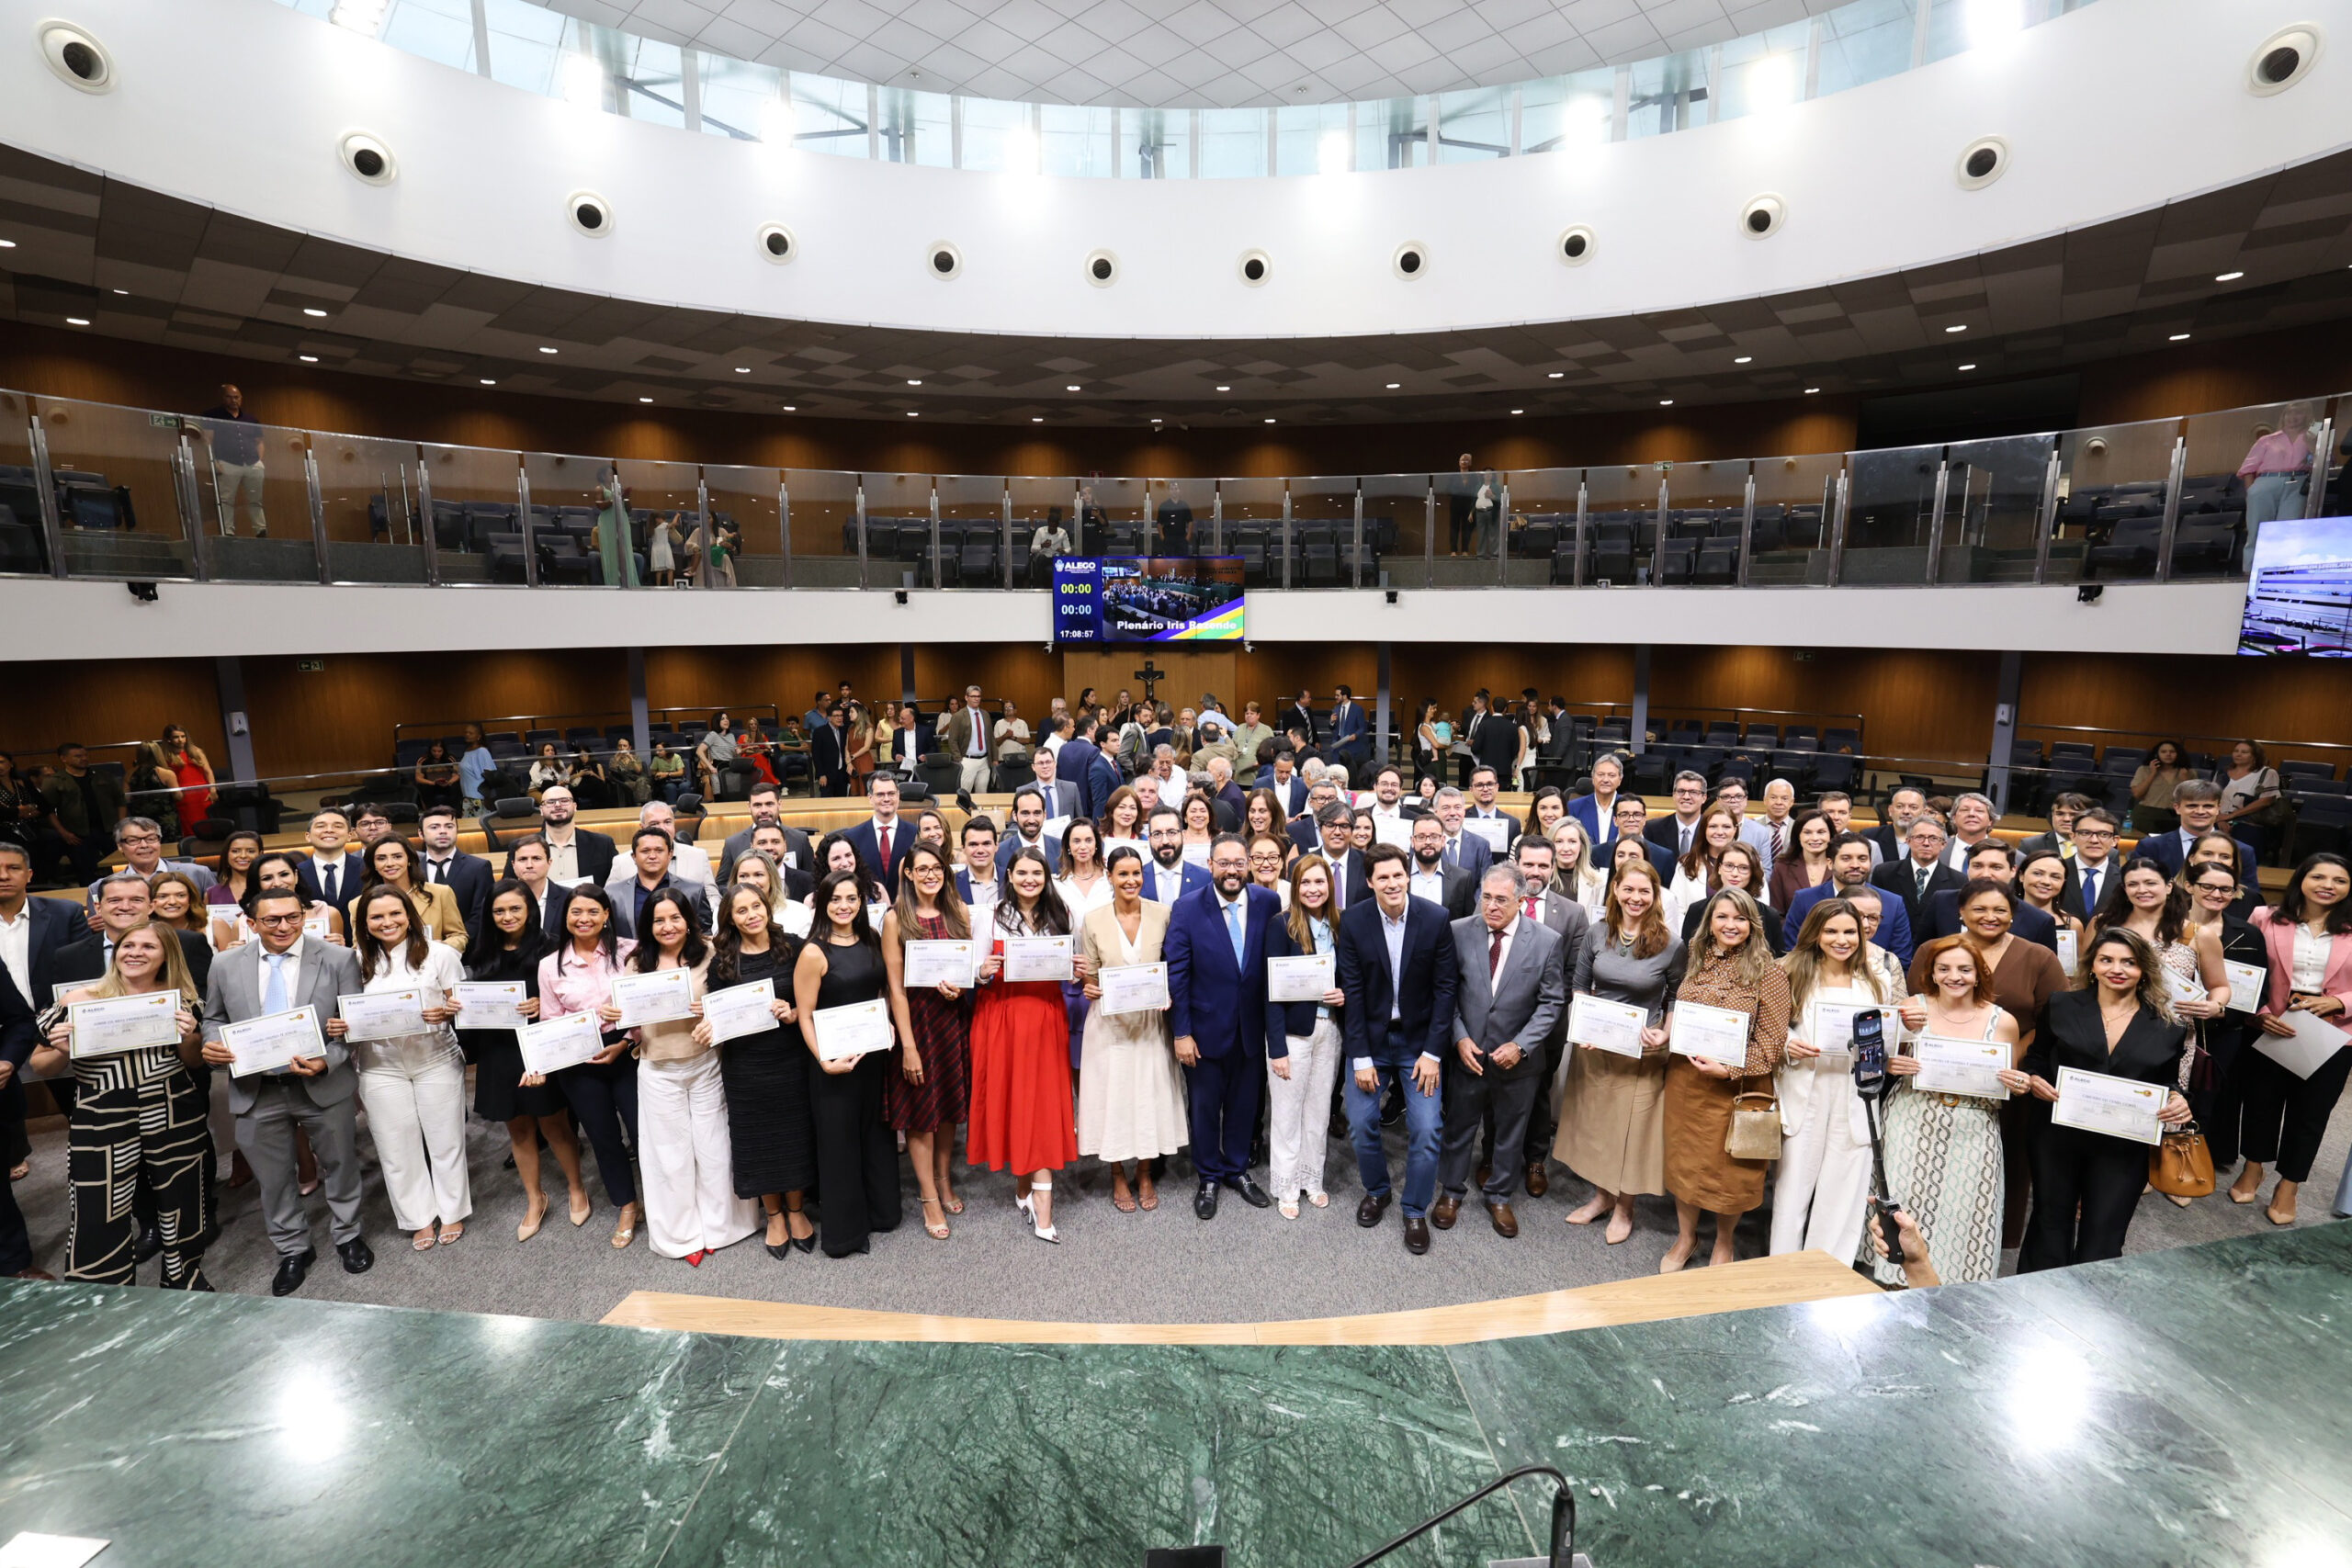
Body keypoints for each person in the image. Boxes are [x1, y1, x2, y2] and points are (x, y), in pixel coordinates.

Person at [199, 886, 373, 1297]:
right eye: (272, 919)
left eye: (293, 917)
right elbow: (213, 1018)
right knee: (273, 1178)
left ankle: (348, 1234)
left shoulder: (337, 958)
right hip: (256, 1088)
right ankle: (293, 1248)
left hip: (321, 1082)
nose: (284, 926)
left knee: (340, 1163)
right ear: (251, 922)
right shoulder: (225, 963)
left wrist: (328, 1059)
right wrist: (213, 1043)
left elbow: (352, 1023)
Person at [40, 922, 213, 1287]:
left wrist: (188, 1037)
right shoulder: (77, 1001)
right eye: (128, 945)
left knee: (182, 1197)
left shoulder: (181, 1000)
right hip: (101, 1111)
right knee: (99, 1203)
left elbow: (194, 1062)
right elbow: (41, 1066)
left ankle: (184, 1280)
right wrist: (62, 1051)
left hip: (172, 1105)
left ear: (166, 955)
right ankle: (103, 1294)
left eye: (148, 947)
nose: (135, 953)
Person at [1906, 875, 2068, 1250]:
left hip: (2008, 1076)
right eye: (1979, 908)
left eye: (2000, 910)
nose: (1989, 917)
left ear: (2014, 914)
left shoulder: (2038, 957)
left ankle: (1984, 1241)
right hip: (1935, 1077)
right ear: (1961, 912)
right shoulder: (1934, 949)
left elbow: (2053, 1021)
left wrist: (2011, 1058)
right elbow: (1917, 1004)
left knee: (2000, 1161)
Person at [2016, 928, 2191, 1270]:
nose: (2117, 969)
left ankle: (2091, 1300)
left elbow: (2168, 1080)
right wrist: (2036, 1079)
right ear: (2092, 966)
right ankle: (2037, 1295)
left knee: (2105, 1233)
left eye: (2129, 962)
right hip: (2056, 1134)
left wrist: (2178, 1098)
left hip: (2124, 1143)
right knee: (2050, 1222)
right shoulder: (2061, 1005)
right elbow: (2037, 1057)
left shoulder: (2168, 1024)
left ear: (2144, 969)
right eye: (2106, 960)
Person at [1867, 935, 2019, 1286]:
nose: (1955, 976)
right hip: (1911, 1119)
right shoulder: (1911, 1009)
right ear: (1932, 974)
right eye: (1944, 969)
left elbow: (2004, 1081)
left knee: (1966, 1210)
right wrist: (1889, 1063)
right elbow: (1874, 1058)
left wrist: (2018, 1082)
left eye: (1965, 969)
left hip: (1974, 1126)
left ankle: (1958, 1290)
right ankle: (1895, 1283)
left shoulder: (2004, 1021)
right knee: (1905, 1205)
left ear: (1978, 975)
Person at [1335, 841, 1460, 1253]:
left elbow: (1446, 990)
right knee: (1360, 1122)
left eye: (1398, 875)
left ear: (1408, 876)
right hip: (1370, 1042)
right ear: (1370, 882)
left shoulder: (1435, 918)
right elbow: (1352, 991)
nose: (1392, 883)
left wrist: (1433, 1054)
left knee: (1426, 1128)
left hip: (1418, 1044)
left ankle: (1414, 1209)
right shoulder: (1353, 921)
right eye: (1383, 877)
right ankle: (1377, 1190)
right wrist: (1360, 1057)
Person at [1435, 863, 1566, 1238]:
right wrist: (1459, 1037)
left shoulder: (1546, 941)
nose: (1491, 906)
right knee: (1458, 1128)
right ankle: (1451, 1192)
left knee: (1510, 1133)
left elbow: (1551, 1003)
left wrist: (1521, 1046)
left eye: (1501, 900)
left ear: (1521, 901)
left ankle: (1499, 1196)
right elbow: (1446, 993)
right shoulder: (1458, 931)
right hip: (1468, 1054)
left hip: (1518, 1063)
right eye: (1487, 898)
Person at [1661, 888, 1791, 1272]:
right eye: (1722, 917)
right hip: (1687, 1081)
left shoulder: (1770, 972)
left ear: (1753, 925)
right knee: (1684, 1163)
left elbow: (1772, 1042)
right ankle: (1686, 1237)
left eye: (1739, 918)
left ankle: (1724, 1241)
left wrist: (1730, 1069)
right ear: (1710, 922)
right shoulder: (1695, 957)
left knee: (1731, 1173)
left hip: (1738, 1087)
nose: (1730, 925)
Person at [1770, 897, 1905, 1264]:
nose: (1841, 940)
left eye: (1850, 932)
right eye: (1831, 931)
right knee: (1792, 1190)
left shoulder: (1876, 979)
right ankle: (1782, 1270)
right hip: (1805, 1087)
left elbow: (1885, 1034)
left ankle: (1827, 1274)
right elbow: (1768, 1025)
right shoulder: (1788, 970)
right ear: (1815, 933)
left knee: (1843, 1190)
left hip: (1855, 1091)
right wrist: (1788, 1044)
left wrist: (1905, 1029)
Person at [628, 886, 756, 1265]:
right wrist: (617, 1015)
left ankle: (722, 1226)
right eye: (659, 920)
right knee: (670, 1157)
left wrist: (711, 1012)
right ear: (648, 925)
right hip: (659, 1069)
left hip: (706, 1064)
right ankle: (680, 1235)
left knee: (715, 1149)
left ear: (688, 920)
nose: (668, 926)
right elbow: (632, 1021)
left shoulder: (712, 953)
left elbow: (734, 1003)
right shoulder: (636, 964)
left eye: (675, 918)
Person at [458, 878, 588, 1240]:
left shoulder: (553, 948)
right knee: (517, 1128)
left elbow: (572, 998)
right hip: (498, 1050)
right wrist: (460, 1006)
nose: (507, 916)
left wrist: (543, 1005)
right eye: (499, 911)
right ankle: (535, 1197)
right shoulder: (480, 953)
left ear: (530, 909)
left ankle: (576, 1187)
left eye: (515, 908)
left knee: (554, 1124)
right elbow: (472, 1003)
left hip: (539, 1047)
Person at [349, 886, 472, 1252]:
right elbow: (343, 1010)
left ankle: (452, 1210)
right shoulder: (352, 961)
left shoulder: (440, 954)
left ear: (409, 916)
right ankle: (418, 1217)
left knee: (445, 1139)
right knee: (395, 1145)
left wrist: (449, 1011)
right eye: (377, 916)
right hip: (379, 1065)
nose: (387, 922)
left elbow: (464, 1005)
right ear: (364, 923)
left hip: (435, 1057)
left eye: (395, 913)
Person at [2233, 853, 2352, 1225]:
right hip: (2272, 1025)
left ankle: (2289, 1185)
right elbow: (2243, 972)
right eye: (2318, 877)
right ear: (2301, 879)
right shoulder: (2264, 917)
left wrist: (2340, 1002)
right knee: (2260, 1103)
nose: (2328, 885)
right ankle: (2253, 1167)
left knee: (2311, 1113)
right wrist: (2260, 1013)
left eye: (2339, 880)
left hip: (2333, 1035)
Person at [1168, 833, 1283, 1219]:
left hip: (1251, 1028)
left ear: (1248, 864)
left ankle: (1236, 1168)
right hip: (1203, 1031)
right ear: (1210, 865)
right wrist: (1182, 1032)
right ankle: (1209, 1175)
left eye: (1238, 863)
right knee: (1204, 1107)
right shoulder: (1187, 908)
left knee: (1244, 1105)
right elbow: (1178, 975)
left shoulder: (1268, 902)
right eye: (1223, 863)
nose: (1231, 870)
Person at [967, 849, 1077, 1242]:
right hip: (1002, 1018)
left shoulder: (1061, 914)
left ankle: (1042, 1207)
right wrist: (982, 971)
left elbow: (1069, 969)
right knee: (1014, 1100)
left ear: (1047, 877)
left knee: (1042, 1104)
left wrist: (1077, 970)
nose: (1030, 879)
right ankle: (1024, 1185)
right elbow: (973, 969)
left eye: (1037, 873)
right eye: (1022, 873)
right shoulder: (989, 916)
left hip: (1045, 1018)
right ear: (1009, 876)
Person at [1075, 844, 1188, 1213]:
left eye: (1136, 873)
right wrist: (1089, 986)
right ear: (1109, 876)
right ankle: (1117, 1174)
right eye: (1122, 874)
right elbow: (1090, 976)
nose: (1130, 880)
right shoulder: (1093, 919)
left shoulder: (1163, 914)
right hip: (1109, 1026)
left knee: (1148, 1099)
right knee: (1114, 1100)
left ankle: (1144, 1171)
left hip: (1150, 1024)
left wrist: (1169, 993)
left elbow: (1173, 966)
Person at [537, 885, 644, 1251]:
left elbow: (645, 1003)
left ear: (606, 915)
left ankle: (659, 1201)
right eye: (576, 912)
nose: (584, 919)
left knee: (644, 1132)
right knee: (603, 1137)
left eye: (593, 912)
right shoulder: (550, 965)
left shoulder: (630, 951)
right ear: (565, 917)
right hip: (579, 1061)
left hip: (628, 1050)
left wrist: (626, 1041)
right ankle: (627, 1206)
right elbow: (551, 1020)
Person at [881, 845, 974, 1240]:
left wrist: (960, 989)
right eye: (922, 869)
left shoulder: (959, 911)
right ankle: (928, 1195)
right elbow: (896, 989)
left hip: (951, 1020)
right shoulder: (895, 918)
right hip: (916, 1024)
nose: (931, 875)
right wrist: (908, 1046)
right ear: (909, 874)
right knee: (922, 1111)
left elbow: (965, 969)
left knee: (949, 1107)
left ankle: (943, 1178)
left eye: (937, 868)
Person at [1259, 853, 1346, 1217]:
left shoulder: (1341, 924)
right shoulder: (1281, 926)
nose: (1313, 889)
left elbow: (1353, 977)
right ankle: (1287, 1187)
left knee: (1319, 1111)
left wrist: (1344, 995)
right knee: (1286, 1114)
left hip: (1330, 1030)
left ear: (1330, 885)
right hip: (1292, 1035)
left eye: (1319, 882)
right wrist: (1277, 1048)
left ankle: (1312, 1180)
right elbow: (1271, 993)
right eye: (1305, 882)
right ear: (1295, 888)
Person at [2181, 860, 2267, 1186]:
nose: (2217, 894)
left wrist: (2221, 1011)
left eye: (2226, 889)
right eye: (2208, 886)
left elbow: (2259, 992)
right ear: (2189, 886)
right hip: (2168, 1026)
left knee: (2206, 1100)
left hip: (2221, 1031)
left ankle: (2186, 1170)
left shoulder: (2248, 934)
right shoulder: (2167, 925)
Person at [1787, 831, 1915, 964]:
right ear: (1830, 863)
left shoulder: (1893, 903)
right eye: (1846, 858)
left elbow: (1901, 959)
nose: (1855, 865)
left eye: (1862, 859)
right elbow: (1793, 951)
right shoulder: (1804, 899)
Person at [347, 835, 469, 952]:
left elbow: (458, 936)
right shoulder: (358, 904)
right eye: (381, 858)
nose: (390, 863)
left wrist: (439, 949)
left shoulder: (440, 893)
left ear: (409, 859)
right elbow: (360, 948)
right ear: (374, 864)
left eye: (397, 857)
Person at [40, 742, 127, 886]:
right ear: (64, 759)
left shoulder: (103, 776)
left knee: (120, 867)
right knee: (86, 873)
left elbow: (120, 801)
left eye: (85, 755)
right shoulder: (54, 781)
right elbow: (48, 810)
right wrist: (63, 832)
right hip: (77, 834)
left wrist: (121, 825)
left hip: (108, 829)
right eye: (78, 756)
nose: (84, 758)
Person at [1870, 814, 1962, 931]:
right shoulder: (1884, 873)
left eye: (1933, 838)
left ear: (1943, 844)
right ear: (1908, 841)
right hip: (1895, 940)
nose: (1926, 843)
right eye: (1919, 837)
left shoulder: (1958, 880)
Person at [197, 382, 267, 536]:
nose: (233, 400)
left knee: (256, 499)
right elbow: (207, 440)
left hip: (252, 463)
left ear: (241, 398)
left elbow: (260, 442)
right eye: (229, 397)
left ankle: (261, 530)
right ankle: (228, 531)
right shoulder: (213, 416)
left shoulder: (251, 419)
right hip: (227, 462)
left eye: (236, 397)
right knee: (226, 500)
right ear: (223, 398)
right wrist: (213, 462)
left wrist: (259, 461)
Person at [2237, 400, 2315, 537]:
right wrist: (2251, 492)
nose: (2293, 417)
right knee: (2257, 532)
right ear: (2283, 416)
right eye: (2289, 413)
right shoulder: (2266, 440)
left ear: (2307, 416)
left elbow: (2326, 462)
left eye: (2298, 413)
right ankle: (2253, 553)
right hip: (2266, 483)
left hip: (2298, 484)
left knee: (2288, 532)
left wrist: (2312, 444)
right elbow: (2248, 469)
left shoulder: (2312, 438)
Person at [2214, 740, 2283, 863]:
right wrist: (2220, 818)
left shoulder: (2267, 773)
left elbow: (2267, 800)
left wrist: (2232, 815)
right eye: (2236, 751)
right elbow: (2212, 796)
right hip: (2220, 819)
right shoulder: (2222, 772)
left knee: (2243, 858)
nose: (2238, 754)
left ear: (2255, 756)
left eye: (2244, 752)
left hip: (2249, 822)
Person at [1766, 809, 1835, 913]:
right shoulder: (1782, 867)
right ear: (1798, 836)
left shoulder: (1840, 866)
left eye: (1821, 832)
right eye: (1807, 832)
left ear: (1830, 835)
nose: (1815, 838)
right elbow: (1776, 913)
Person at [2128, 739, 2191, 838]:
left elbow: (2193, 798)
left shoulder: (2187, 772)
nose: (2168, 754)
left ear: (2178, 754)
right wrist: (2152, 774)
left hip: (2175, 816)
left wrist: (2185, 780)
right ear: (2156, 754)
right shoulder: (2144, 770)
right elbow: (2137, 794)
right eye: (2163, 752)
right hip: (2147, 814)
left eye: (2172, 752)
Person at [593, 467, 640, 587]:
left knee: (625, 551)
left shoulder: (619, 489)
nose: (613, 476)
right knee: (612, 552)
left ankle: (629, 582)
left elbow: (628, 509)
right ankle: (613, 583)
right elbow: (600, 506)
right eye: (610, 474)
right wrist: (616, 498)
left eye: (614, 474)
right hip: (608, 522)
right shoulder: (600, 489)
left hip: (622, 520)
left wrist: (626, 497)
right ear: (603, 476)